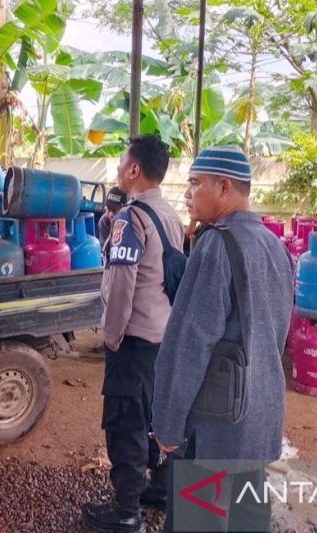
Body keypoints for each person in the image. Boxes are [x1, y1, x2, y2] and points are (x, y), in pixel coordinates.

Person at [150, 147, 294, 532]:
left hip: (213, 425)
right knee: (248, 519)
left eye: (196, 183)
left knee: (198, 521)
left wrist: (167, 423)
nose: (187, 192)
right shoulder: (274, 245)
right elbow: (276, 332)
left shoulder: (216, 244)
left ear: (225, 187)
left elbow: (187, 344)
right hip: (259, 413)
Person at [83, 135, 185, 533]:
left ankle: (126, 512)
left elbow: (122, 285)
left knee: (125, 422)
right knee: (157, 417)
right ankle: (158, 487)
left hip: (133, 340)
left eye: (123, 161)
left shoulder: (130, 218)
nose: (119, 168)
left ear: (135, 170)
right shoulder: (169, 215)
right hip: (161, 337)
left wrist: (111, 338)